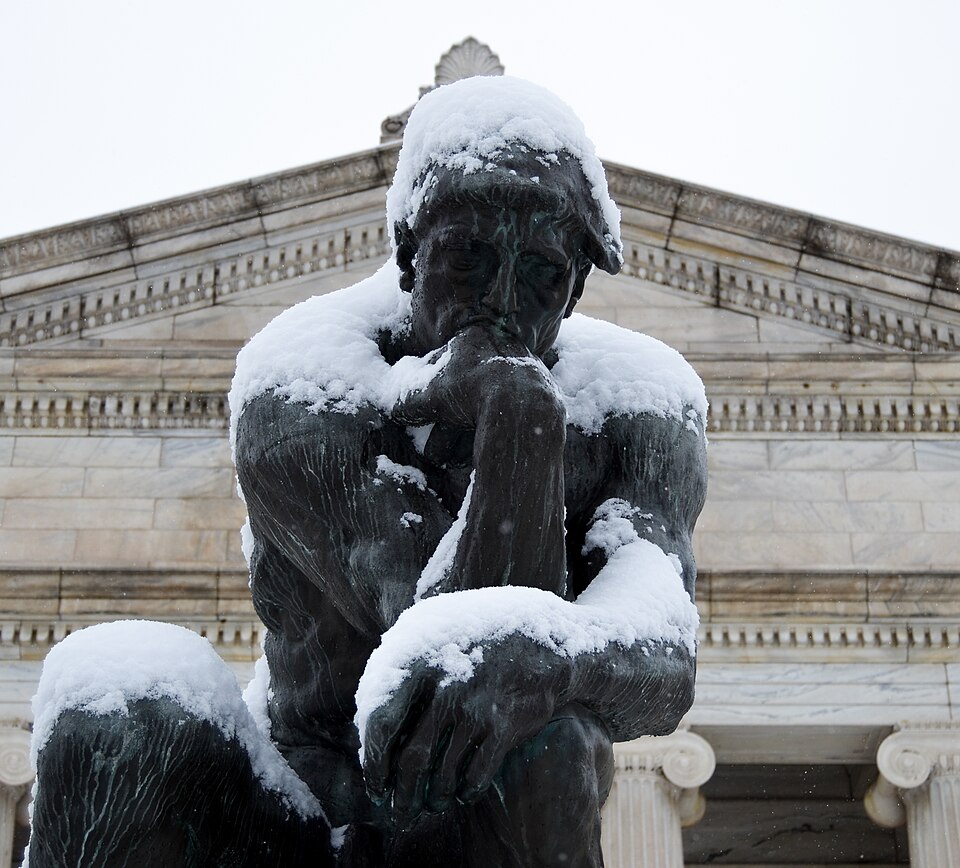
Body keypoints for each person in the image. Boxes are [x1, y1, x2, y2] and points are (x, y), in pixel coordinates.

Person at [26, 76, 707, 868]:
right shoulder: (304, 388)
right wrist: (519, 417)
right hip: (302, 821)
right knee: (110, 712)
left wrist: (554, 657)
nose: (501, 302)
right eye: (469, 259)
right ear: (409, 256)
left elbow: (661, 649)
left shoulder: (641, 403)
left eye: (542, 275)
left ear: (578, 287)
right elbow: (434, 652)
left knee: (546, 741)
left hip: (477, 814)